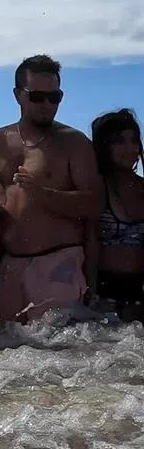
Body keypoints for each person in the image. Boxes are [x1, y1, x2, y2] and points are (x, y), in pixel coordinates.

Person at [0, 55, 101, 322]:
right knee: (2, 355)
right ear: (18, 95)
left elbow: (94, 204)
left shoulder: (74, 142)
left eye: (54, 97)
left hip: (58, 261)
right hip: (10, 263)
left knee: (59, 356)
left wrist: (44, 194)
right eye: (37, 97)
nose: (47, 105)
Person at [88, 109, 144, 320]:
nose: (130, 148)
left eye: (134, 140)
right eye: (119, 141)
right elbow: (90, 241)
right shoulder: (98, 188)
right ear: (104, 146)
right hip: (106, 289)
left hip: (140, 289)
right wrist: (91, 292)